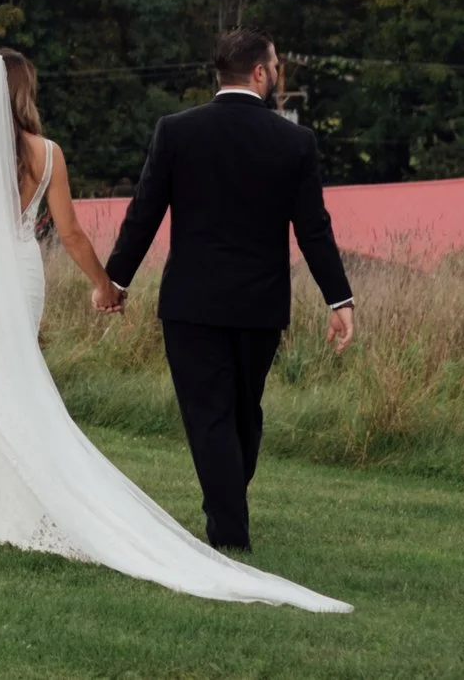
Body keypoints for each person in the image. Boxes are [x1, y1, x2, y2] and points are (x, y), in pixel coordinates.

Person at [0, 48, 349, 611]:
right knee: (19, 387)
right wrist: (105, 283)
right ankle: (2, 508)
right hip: (26, 275)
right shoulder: (50, 154)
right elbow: (74, 233)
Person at [104, 28, 355, 554]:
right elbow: (314, 229)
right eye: (277, 65)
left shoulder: (176, 131)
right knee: (243, 412)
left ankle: (225, 513)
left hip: (191, 304)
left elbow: (144, 211)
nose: (279, 74)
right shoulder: (294, 141)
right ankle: (229, 530)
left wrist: (117, 280)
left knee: (215, 417)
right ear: (260, 73)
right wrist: (340, 300)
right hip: (259, 306)